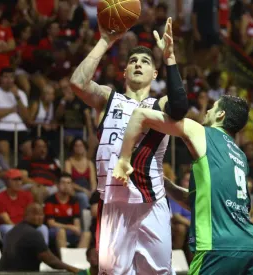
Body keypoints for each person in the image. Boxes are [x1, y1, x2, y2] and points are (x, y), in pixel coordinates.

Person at [70, 17, 188, 274]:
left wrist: (169, 58)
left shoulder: (161, 104)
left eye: (145, 61)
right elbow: (77, 83)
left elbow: (180, 108)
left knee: (157, 272)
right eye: (133, 61)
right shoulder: (108, 98)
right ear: (124, 72)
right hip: (113, 201)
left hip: (150, 201)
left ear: (154, 74)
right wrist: (104, 41)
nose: (137, 64)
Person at [113, 95, 253, 274]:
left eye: (212, 107)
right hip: (251, 247)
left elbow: (139, 114)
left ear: (220, 114)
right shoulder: (240, 156)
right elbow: (201, 202)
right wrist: (165, 183)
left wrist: (124, 159)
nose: (207, 111)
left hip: (218, 247)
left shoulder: (202, 132)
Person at [0, 203, 79, 273]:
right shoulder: (33, 233)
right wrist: (73, 269)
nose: (38, 217)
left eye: (41, 214)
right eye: (34, 214)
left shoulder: (13, 231)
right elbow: (51, 261)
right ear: (25, 215)